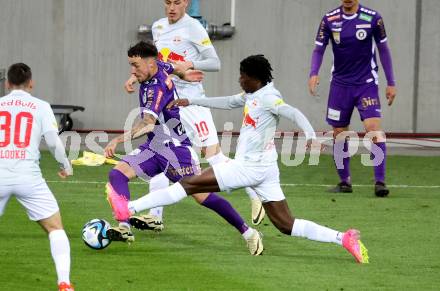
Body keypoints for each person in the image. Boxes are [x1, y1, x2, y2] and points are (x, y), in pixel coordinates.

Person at [113, 55, 369, 262]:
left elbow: (293, 112)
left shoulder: (269, 97)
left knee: (188, 184)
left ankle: (130, 208)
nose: (240, 80)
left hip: (248, 168)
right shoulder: (253, 94)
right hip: (267, 170)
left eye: (243, 76)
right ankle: (343, 238)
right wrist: (190, 100)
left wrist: (311, 137)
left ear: (255, 79)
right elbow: (228, 101)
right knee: (285, 224)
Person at [104, 41, 263, 255]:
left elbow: (147, 123)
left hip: (176, 150)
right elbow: (175, 67)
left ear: (150, 63)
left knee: (202, 196)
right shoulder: (159, 66)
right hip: (154, 146)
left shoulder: (156, 88)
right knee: (117, 174)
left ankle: (249, 233)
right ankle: (124, 227)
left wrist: (117, 140)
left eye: (135, 66)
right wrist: (182, 75)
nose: (133, 70)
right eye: (131, 66)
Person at [124, 0, 265, 228]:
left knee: (215, 157)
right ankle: (155, 217)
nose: (171, 7)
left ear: (186, 3)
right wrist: (135, 76)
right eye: (168, 2)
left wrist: (188, 63)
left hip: (191, 103)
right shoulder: (158, 26)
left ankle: (254, 193)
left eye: (177, 2)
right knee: (164, 155)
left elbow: (214, 63)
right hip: (168, 104)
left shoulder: (193, 28)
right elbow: (154, 64)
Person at [308, 0, 396, 197]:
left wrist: (391, 82)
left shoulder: (373, 18)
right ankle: (344, 181)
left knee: (373, 129)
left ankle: (380, 182)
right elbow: (318, 49)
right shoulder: (329, 19)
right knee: (339, 132)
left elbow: (384, 49)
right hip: (340, 85)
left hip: (366, 84)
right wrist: (313, 73)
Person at [0, 63, 74, 291]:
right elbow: (53, 142)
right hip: (29, 178)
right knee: (55, 228)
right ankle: (64, 283)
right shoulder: (40, 106)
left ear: (7, 84)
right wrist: (66, 164)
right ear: (31, 83)